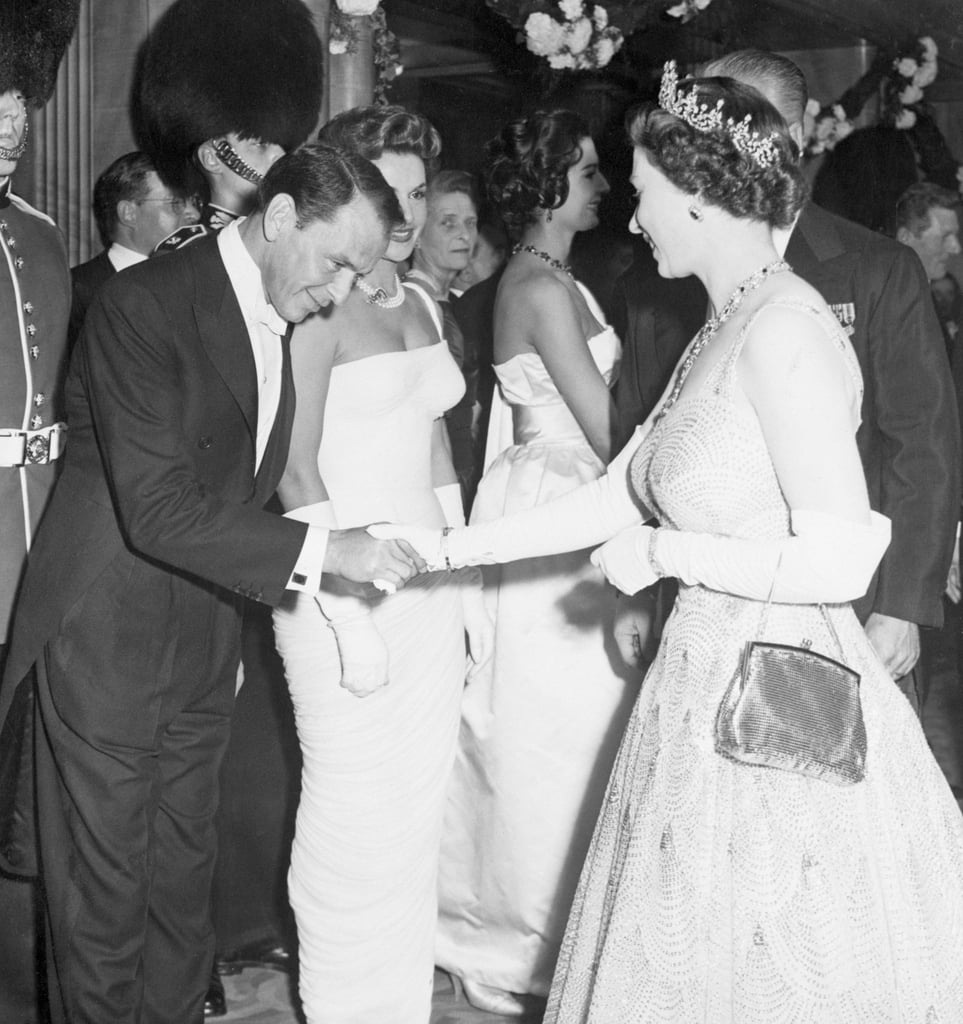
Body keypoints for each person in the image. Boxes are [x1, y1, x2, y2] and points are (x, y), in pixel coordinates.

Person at [378, 63, 963, 1021]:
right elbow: (618, 495)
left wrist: (664, 557)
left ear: (697, 199)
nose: (633, 218)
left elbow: (841, 557)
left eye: (644, 195)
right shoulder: (724, 322)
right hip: (698, 688)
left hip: (777, 703)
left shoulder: (786, 330)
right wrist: (433, 552)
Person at [0, 142, 424, 1024]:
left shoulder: (287, 308)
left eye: (362, 271)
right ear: (276, 220)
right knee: (104, 914)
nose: (343, 291)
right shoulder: (143, 301)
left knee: (180, 898)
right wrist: (327, 553)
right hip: (105, 643)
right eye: (336, 262)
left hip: (199, 638)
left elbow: (250, 476)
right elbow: (158, 509)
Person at [613, 49, 961, 709]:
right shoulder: (656, 285)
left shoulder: (874, 268)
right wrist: (628, 593)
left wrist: (901, 605)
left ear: (793, 137)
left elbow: (921, 443)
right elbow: (640, 444)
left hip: (847, 608)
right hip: (700, 611)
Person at [270, 106, 491, 1024]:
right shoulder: (314, 305)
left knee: (415, 817)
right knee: (350, 815)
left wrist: (469, 573)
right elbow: (290, 463)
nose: (404, 213)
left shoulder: (426, 303)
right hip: (334, 590)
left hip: (428, 586)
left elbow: (436, 447)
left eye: (415, 191)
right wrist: (342, 605)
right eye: (387, 191)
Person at [136, 1, 326, 1010]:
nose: (277, 151)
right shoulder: (175, 278)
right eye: (260, 139)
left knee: (237, 773)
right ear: (222, 143)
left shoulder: (270, 260)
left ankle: (221, 943)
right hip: (181, 571)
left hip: (246, 559)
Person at [433, 109, 636, 1015]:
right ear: (551, 186)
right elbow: (604, 428)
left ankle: (551, 925)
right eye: (590, 173)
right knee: (555, 730)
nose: (602, 186)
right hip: (560, 501)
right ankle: (530, 939)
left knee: (555, 725)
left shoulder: (552, 277)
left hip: (546, 490)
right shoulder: (545, 291)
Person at [0, 4, 78, 1020]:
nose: (11, 121)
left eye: (19, 100)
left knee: (23, 808)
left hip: (35, 557)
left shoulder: (40, 236)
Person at [137, 0, 323, 251]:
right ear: (212, 158)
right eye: (259, 144)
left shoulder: (295, 243)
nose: (279, 155)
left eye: (280, 144)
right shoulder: (185, 252)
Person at [68, 151, 200, 350]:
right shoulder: (76, 292)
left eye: (195, 202)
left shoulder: (199, 282)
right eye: (176, 203)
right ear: (128, 213)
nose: (194, 214)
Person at [405, 169, 481, 500]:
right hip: (435, 474)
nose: (464, 234)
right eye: (448, 223)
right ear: (418, 234)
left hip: (465, 466)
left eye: (471, 223)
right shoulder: (413, 305)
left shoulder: (455, 304)